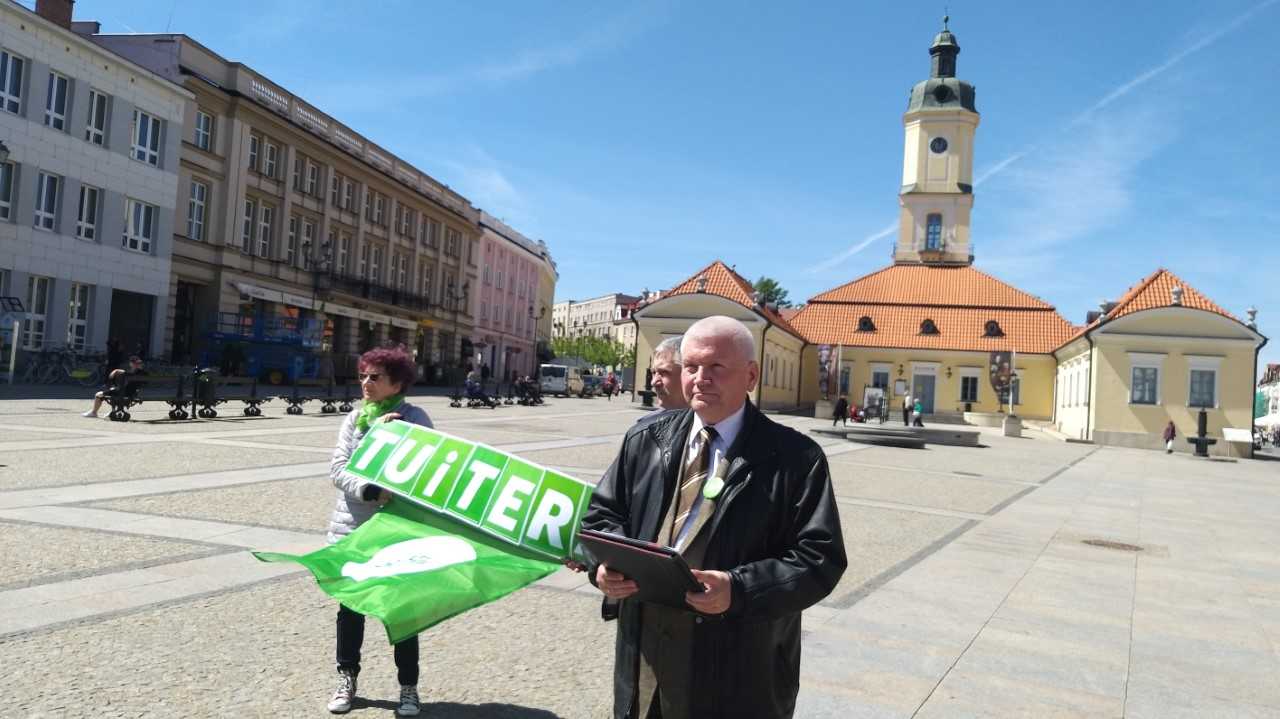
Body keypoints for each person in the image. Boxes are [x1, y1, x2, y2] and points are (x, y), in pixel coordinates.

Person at [582, 315, 847, 719]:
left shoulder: (796, 458)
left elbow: (819, 560)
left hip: (737, 670)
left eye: (716, 367)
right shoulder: (646, 440)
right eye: (691, 367)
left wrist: (738, 589)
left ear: (752, 375)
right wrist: (602, 566)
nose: (700, 378)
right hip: (646, 660)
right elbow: (602, 516)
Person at [326, 346, 431, 716]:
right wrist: (368, 488)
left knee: (402, 610)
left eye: (375, 377)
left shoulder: (416, 419)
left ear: (398, 383)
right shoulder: (354, 419)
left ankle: (408, 687)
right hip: (353, 528)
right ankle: (346, 677)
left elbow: (429, 472)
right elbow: (339, 469)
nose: (366, 383)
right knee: (351, 607)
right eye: (363, 376)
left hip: (397, 531)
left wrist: (397, 434)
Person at [82, 355, 146, 418]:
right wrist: (117, 370)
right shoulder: (142, 373)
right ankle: (112, 411)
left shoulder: (127, 374)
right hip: (132, 393)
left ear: (131, 364)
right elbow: (127, 373)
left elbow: (123, 375)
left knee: (98, 394)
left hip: (123, 392)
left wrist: (116, 371)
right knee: (114, 391)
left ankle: (94, 412)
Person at [649, 336, 688, 410]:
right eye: (654, 373)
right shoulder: (648, 421)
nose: (653, 382)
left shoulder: (705, 421)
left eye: (664, 372)